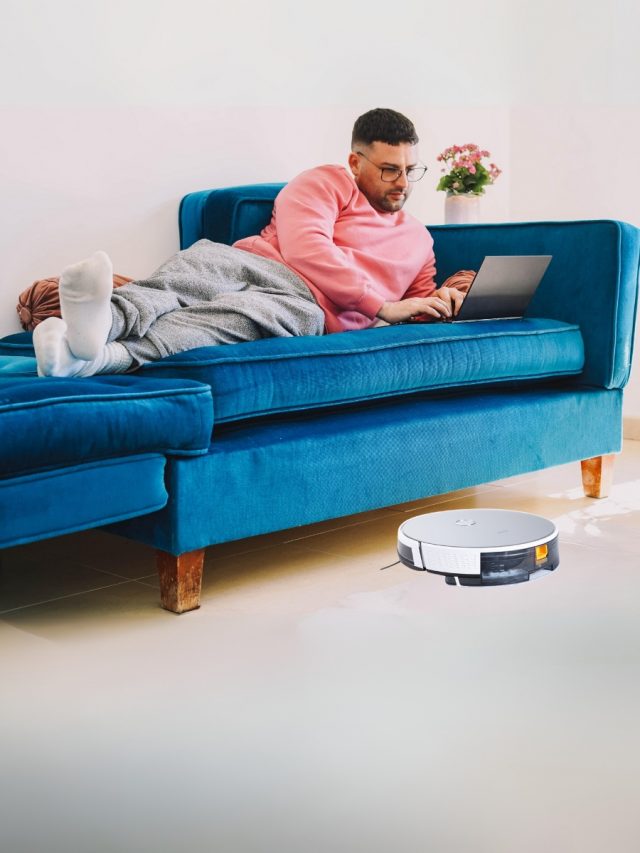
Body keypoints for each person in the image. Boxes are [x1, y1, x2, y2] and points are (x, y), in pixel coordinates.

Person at [33, 108, 465, 378]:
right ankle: (102, 320)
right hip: (257, 263)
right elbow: (306, 248)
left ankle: (90, 358)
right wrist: (379, 305)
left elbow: (415, 303)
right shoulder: (325, 182)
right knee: (190, 273)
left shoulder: (419, 242)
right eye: (390, 169)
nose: (403, 183)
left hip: (307, 307)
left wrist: (443, 301)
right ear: (356, 161)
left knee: (225, 323)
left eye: (411, 169)